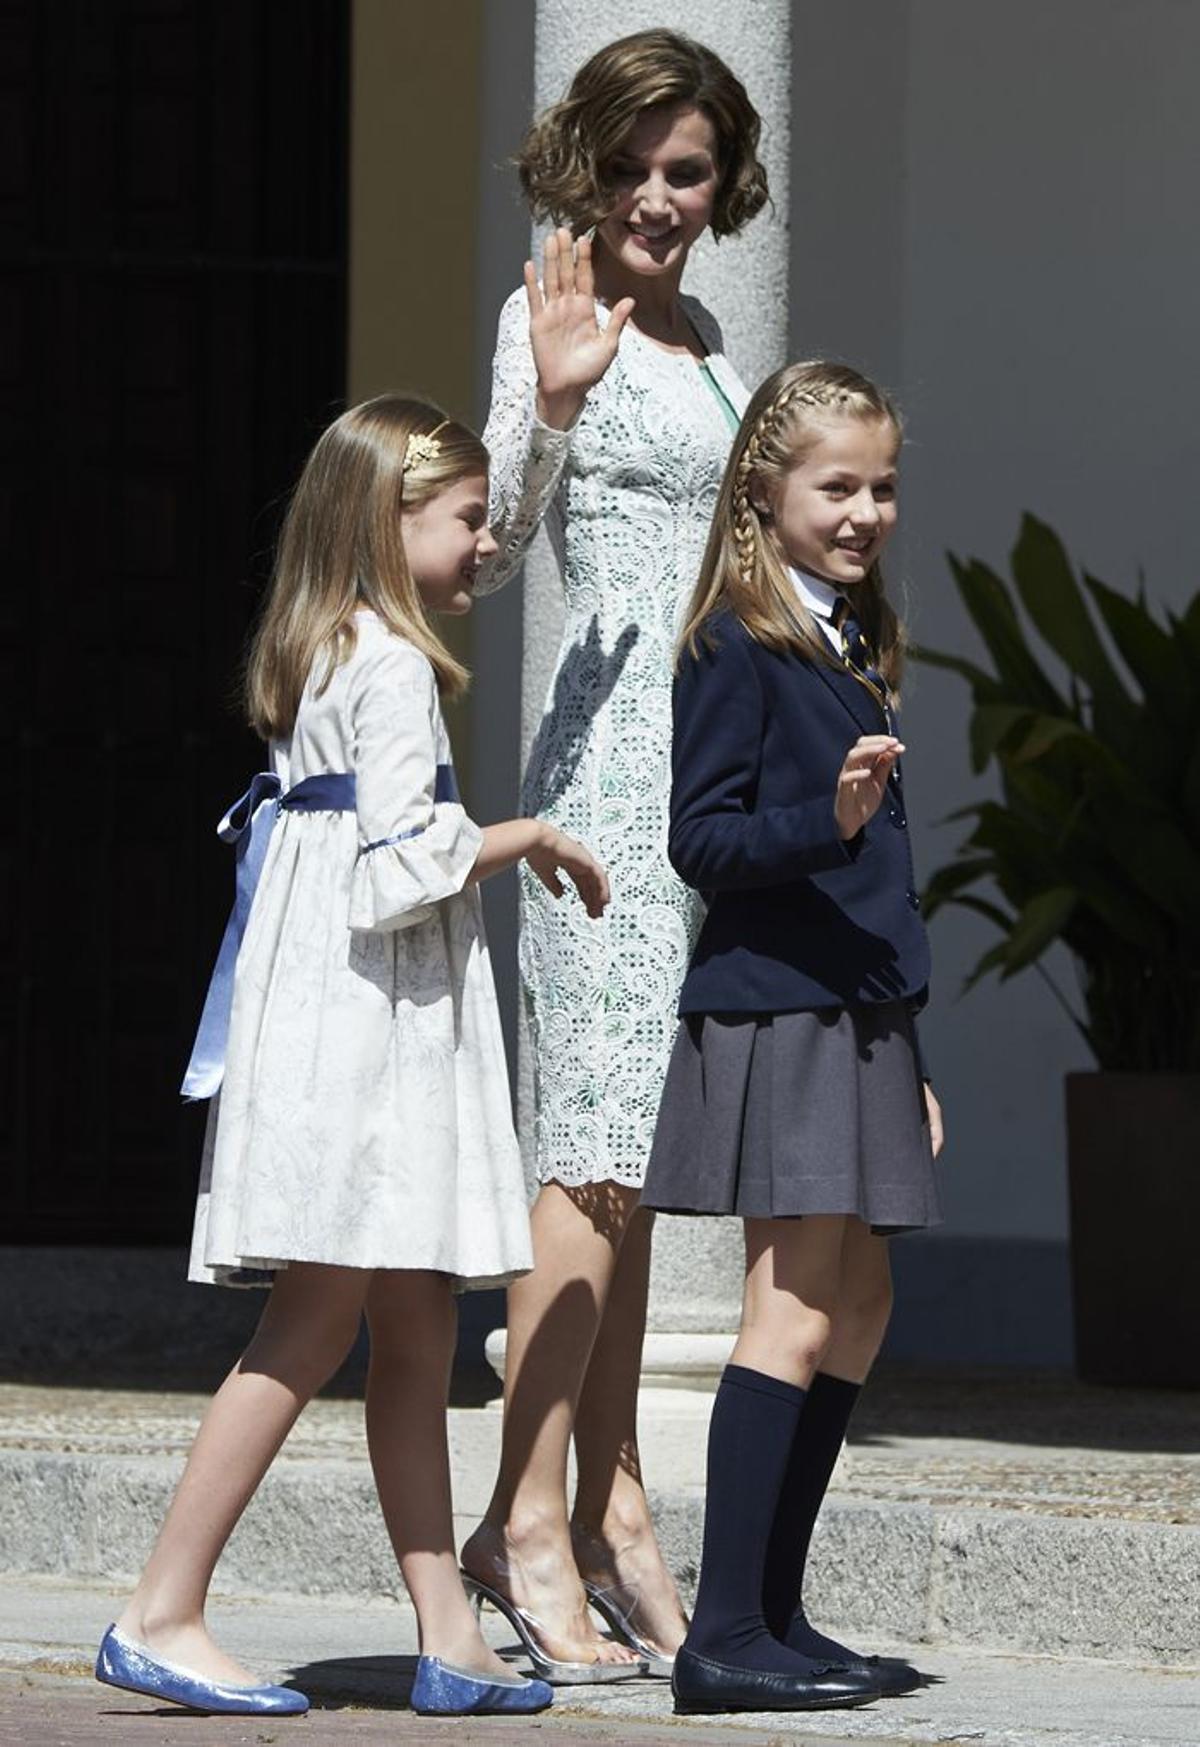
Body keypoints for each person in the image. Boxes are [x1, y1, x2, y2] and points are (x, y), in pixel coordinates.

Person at [93, 397, 609, 1720]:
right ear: (392, 522)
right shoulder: (387, 667)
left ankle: (449, 1632)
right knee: (319, 1318)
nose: (485, 545)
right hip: (367, 1033)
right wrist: (521, 836)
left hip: (334, 1012)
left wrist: (542, 428)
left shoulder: (324, 645)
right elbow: (398, 868)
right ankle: (163, 1605)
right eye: (467, 519)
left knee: (416, 1322)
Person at [460, 29, 768, 1681]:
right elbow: (492, 556)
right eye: (637, 165)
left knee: (634, 1172)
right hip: (598, 796)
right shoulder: (544, 316)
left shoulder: (716, 336)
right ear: (591, 166)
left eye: (690, 170)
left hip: (703, 787)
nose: (659, 196)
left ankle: (617, 1498)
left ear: (724, 188)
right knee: (580, 1158)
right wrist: (557, 411)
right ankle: (520, 1517)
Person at [640, 360, 945, 1715]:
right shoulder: (735, 642)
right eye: (839, 486)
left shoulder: (856, 644)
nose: (867, 510)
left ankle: (774, 1607)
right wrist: (815, 821)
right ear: (766, 493)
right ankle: (721, 1635)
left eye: (883, 486)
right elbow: (698, 841)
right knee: (797, 1301)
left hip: (861, 1015)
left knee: (863, 1303)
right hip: (780, 1006)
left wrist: (913, 1056)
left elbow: (885, 877)